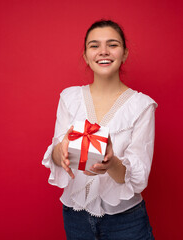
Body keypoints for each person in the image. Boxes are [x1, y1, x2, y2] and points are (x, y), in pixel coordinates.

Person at [42, 20, 157, 240]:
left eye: (112, 45)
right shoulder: (69, 97)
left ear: (124, 53)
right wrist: (61, 152)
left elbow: (139, 178)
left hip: (126, 221)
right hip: (76, 217)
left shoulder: (142, 106)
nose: (103, 51)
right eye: (94, 46)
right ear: (85, 55)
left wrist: (112, 163)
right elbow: (56, 154)